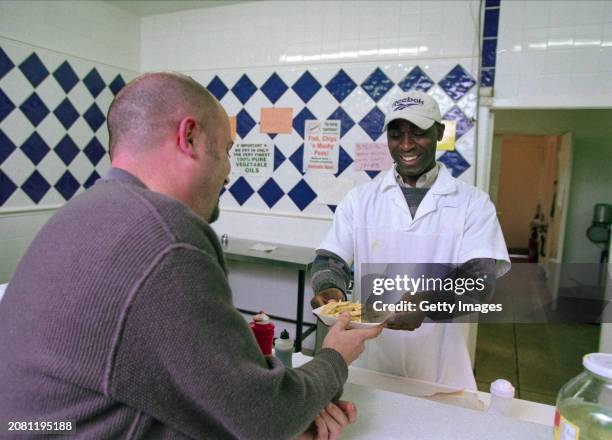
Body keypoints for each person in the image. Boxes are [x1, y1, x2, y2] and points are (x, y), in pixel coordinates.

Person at [0, 72, 382, 439]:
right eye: (227, 150)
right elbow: (264, 416)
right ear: (190, 137)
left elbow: (165, 384)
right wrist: (333, 359)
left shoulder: (80, 213)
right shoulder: (167, 239)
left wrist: (279, 412)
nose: (229, 170)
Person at [310, 91, 510, 390]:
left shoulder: (473, 204)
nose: (406, 145)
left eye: (418, 133)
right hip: (370, 362)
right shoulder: (360, 200)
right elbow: (330, 259)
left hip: (441, 371)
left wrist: (429, 302)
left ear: (439, 132)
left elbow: (480, 282)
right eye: (396, 134)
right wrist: (328, 288)